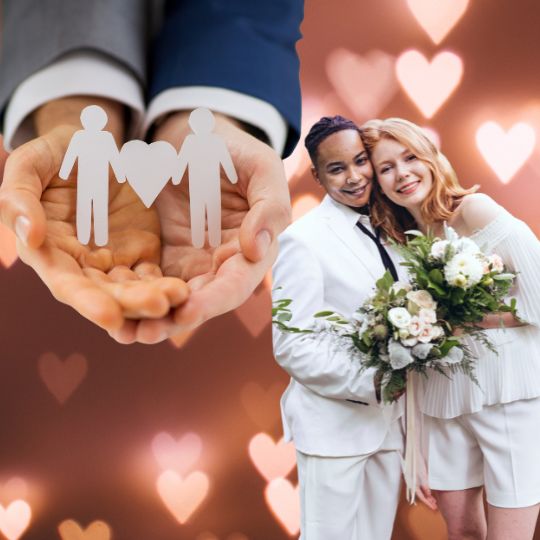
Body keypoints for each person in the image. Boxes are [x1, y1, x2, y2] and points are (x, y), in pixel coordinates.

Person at [0, 0, 303, 343]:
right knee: (91, 213)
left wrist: (206, 143)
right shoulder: (89, 145)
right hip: (92, 181)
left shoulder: (197, 145)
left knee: (191, 215)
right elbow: (82, 164)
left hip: (190, 181)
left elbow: (204, 162)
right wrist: (71, 111)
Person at [362, 117, 540, 540]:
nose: (402, 173)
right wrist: (414, 445)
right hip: (441, 403)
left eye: (409, 157)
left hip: (507, 395)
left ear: (430, 158)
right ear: (378, 183)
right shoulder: (396, 243)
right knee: (460, 532)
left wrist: (460, 321)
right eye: (386, 168)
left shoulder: (473, 211)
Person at [272, 116, 405, 539]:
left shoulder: (396, 227)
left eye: (360, 161)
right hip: (332, 427)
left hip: (390, 428)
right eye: (336, 169)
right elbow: (293, 345)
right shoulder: (303, 240)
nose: (354, 177)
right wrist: (377, 382)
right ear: (317, 175)